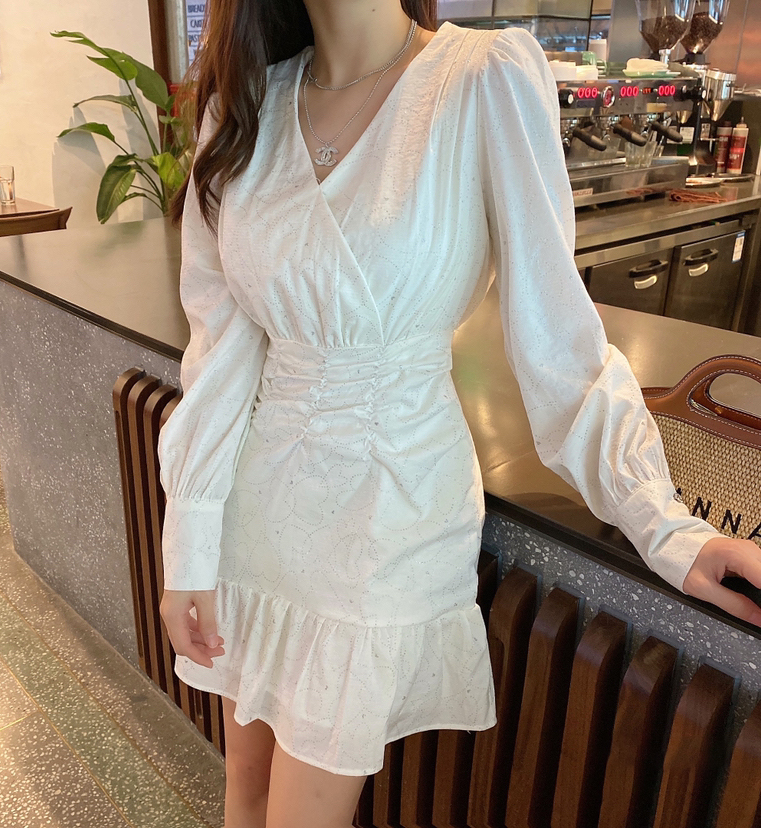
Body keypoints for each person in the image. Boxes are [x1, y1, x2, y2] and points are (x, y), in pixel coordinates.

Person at [156, 3, 761, 826]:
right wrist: (188, 543)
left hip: (389, 510)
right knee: (247, 788)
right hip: (260, 514)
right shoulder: (245, 105)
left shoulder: (481, 77)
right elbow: (220, 352)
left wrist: (665, 526)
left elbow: (558, 341)